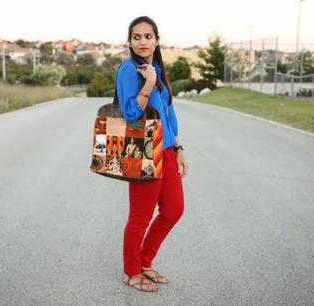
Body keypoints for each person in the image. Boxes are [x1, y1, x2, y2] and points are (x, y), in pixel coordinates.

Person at [115, 16, 189, 293]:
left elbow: (169, 113)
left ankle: (145, 261)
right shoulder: (128, 70)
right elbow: (131, 114)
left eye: (148, 36)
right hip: (144, 150)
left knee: (173, 210)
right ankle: (132, 270)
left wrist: (179, 148)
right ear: (130, 41)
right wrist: (147, 84)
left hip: (167, 151)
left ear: (157, 40)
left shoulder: (156, 67)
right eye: (137, 37)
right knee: (140, 216)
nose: (143, 41)